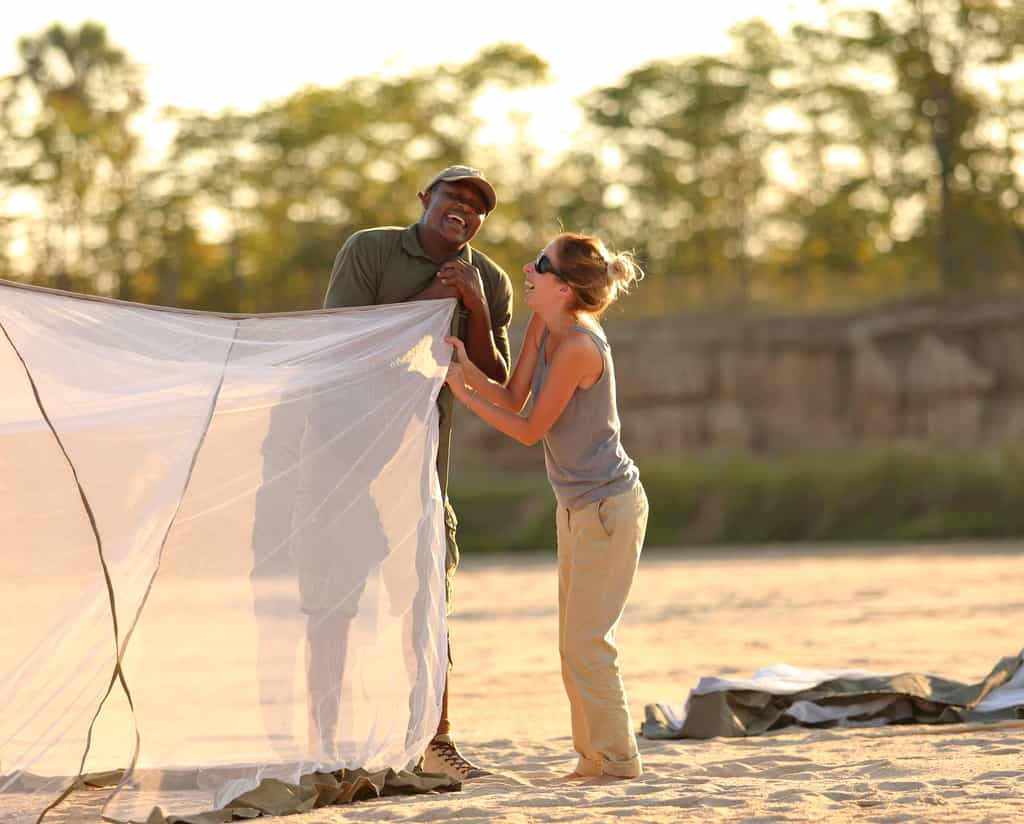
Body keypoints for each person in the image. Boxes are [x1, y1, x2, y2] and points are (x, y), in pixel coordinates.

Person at [322, 165, 513, 779]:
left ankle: (437, 742)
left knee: (429, 599)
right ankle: (326, 743)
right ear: (426, 199)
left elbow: (495, 375)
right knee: (336, 599)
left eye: (477, 206)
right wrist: (437, 297)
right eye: (454, 196)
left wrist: (474, 305)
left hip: (424, 461)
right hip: (346, 453)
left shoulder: (489, 278)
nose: (465, 209)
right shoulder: (371, 250)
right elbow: (343, 342)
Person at [444, 232, 648, 780]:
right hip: (576, 508)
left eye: (541, 264)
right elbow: (514, 396)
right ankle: (593, 759)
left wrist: (463, 393)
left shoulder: (580, 345)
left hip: (609, 508)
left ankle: (618, 761)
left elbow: (530, 429)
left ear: (565, 288)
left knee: (587, 644)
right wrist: (465, 368)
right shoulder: (543, 323)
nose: (528, 271)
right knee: (571, 645)